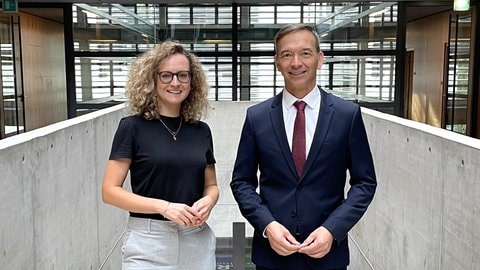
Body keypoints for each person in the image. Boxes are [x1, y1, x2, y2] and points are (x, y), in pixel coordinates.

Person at [230, 23, 377, 270]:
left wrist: (333, 230)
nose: (296, 62)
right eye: (287, 54)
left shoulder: (347, 115)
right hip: (272, 257)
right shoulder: (257, 117)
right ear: (277, 62)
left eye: (305, 53)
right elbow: (241, 182)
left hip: (328, 256)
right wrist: (267, 225)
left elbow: (364, 183)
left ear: (320, 59)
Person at [102, 40, 219, 269]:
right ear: (152, 79)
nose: (175, 83)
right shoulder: (132, 127)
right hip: (148, 240)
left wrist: (209, 200)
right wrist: (164, 207)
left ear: (191, 81)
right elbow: (109, 191)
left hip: (196, 238)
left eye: (183, 75)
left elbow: (211, 185)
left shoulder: (201, 131)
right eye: (166, 75)